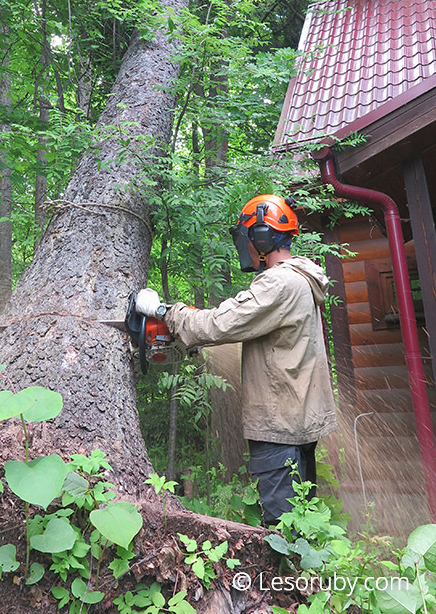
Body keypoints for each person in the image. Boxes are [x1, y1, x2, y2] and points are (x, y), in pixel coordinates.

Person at [137, 194, 338, 526]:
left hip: (278, 428)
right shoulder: (302, 279)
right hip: (297, 424)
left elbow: (219, 323)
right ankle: (304, 575)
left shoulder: (279, 283)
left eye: (247, 234)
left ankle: (286, 580)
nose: (243, 243)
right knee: (302, 524)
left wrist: (164, 312)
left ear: (261, 237)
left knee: (283, 533)